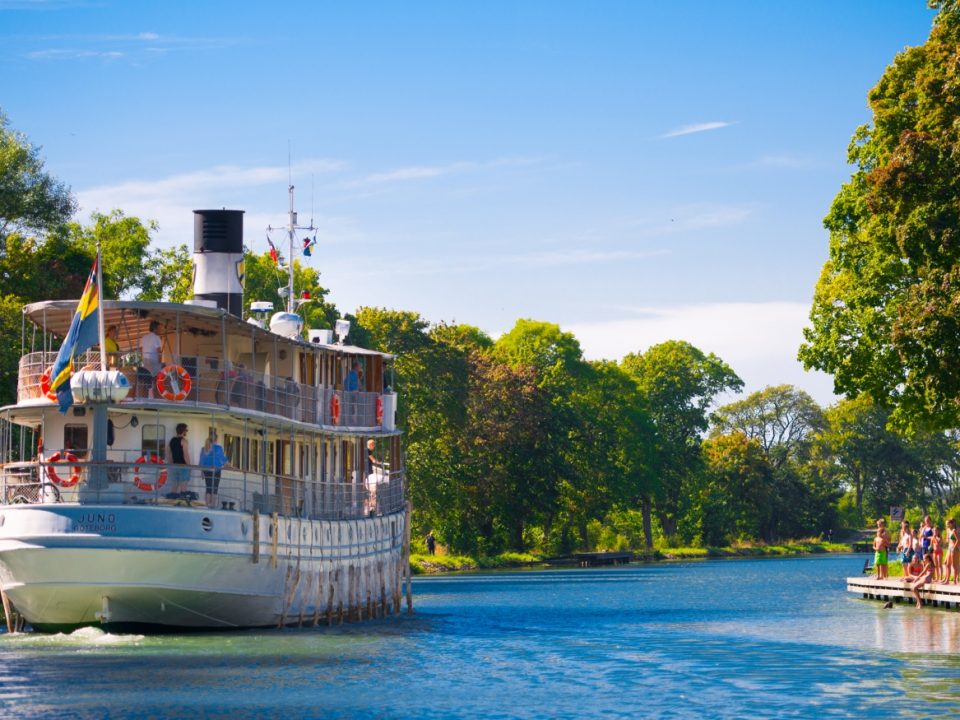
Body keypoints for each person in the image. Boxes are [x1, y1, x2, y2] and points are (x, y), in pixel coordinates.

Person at [199, 431, 229, 509]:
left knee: (208, 488)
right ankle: (212, 506)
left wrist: (201, 472)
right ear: (216, 439)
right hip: (216, 470)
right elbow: (222, 459)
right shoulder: (218, 448)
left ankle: (206, 505)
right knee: (214, 488)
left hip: (206, 470)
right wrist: (228, 465)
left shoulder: (204, 448)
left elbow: (201, 461)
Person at [168, 423, 191, 498]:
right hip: (183, 466)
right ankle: (182, 505)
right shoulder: (184, 441)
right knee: (183, 486)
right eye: (186, 431)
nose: (186, 432)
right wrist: (189, 466)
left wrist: (171, 463)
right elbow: (186, 455)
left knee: (174, 485)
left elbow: (168, 453)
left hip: (174, 466)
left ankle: (171, 502)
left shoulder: (171, 440)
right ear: (183, 431)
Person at [945, 518, 959, 584]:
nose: (947, 525)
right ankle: (947, 580)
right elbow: (948, 540)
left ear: (951, 524)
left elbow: (958, 540)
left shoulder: (954, 530)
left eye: (948, 524)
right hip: (949, 548)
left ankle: (955, 580)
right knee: (947, 564)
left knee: (954, 565)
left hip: (954, 548)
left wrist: (954, 547)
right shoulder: (948, 530)